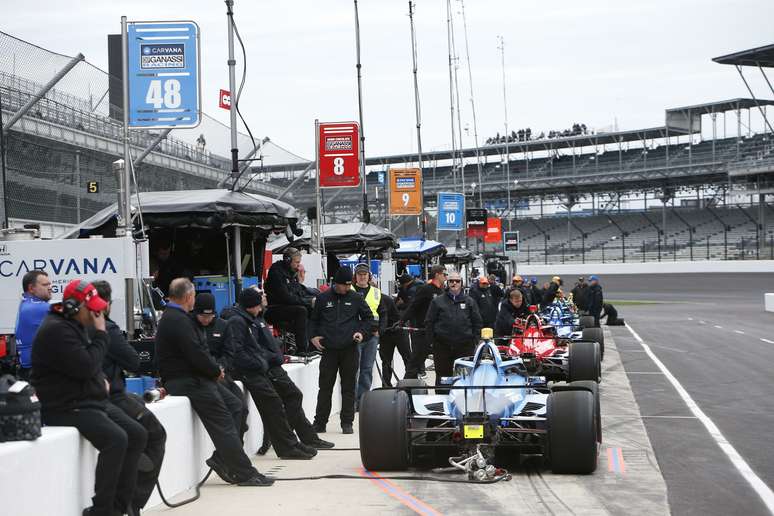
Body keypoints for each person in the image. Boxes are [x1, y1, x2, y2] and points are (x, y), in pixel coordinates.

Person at [31, 279, 147, 516]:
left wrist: (98, 376)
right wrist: (102, 335)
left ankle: (121, 507)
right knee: (116, 439)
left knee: (138, 434)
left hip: (88, 401)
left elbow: (88, 364)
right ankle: (102, 510)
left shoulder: (74, 324)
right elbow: (86, 365)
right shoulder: (57, 329)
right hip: (66, 406)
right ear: (74, 306)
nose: (98, 313)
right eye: (92, 307)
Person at [157, 278, 272, 487]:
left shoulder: (175, 317)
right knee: (224, 425)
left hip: (197, 378)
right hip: (189, 381)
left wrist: (213, 371)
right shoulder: (177, 320)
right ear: (189, 297)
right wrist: (213, 371)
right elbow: (195, 353)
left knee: (236, 407)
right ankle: (244, 472)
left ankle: (223, 460)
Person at [228, 288, 334, 459]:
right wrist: (264, 361)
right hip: (260, 369)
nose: (265, 296)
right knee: (281, 402)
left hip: (266, 366)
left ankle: (295, 440)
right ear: (252, 304)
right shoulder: (240, 322)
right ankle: (288, 442)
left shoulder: (255, 319)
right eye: (261, 296)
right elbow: (245, 350)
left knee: (286, 400)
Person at [92, 281, 166, 515]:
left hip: (104, 394)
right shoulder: (108, 329)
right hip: (113, 396)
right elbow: (133, 361)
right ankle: (134, 499)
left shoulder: (73, 327)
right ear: (108, 304)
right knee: (154, 434)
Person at [310, 267, 373, 434]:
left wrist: (361, 333)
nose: (346, 288)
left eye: (348, 285)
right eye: (343, 285)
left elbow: (368, 318)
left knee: (348, 387)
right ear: (335, 284)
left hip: (349, 348)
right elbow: (313, 320)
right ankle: (320, 422)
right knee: (325, 387)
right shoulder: (323, 298)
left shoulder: (355, 298)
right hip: (329, 349)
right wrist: (314, 336)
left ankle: (347, 422)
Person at [192, 293, 249, 441]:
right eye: (203, 317)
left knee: (242, 408)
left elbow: (230, 353)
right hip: (203, 375)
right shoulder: (190, 328)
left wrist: (220, 367)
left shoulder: (223, 326)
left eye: (209, 316)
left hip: (222, 374)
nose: (206, 320)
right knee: (233, 407)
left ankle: (237, 446)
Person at [425, 271, 482, 385]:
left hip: (464, 346)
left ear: (461, 283)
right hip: (442, 346)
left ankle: (463, 401)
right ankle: (442, 400)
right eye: (451, 281)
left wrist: (475, 340)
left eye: (457, 281)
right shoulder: (438, 301)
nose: (454, 283)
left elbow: (477, 322)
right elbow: (429, 322)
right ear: (447, 283)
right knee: (443, 377)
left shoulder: (469, 301)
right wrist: (431, 342)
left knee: (464, 377)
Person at [400, 265, 447, 380]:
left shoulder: (442, 291)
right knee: (416, 362)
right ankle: (405, 388)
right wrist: (402, 321)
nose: (446, 278)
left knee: (441, 363)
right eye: (444, 275)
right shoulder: (426, 289)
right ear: (437, 274)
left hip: (438, 332)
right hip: (423, 331)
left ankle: (440, 388)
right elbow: (413, 306)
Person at [264, 247, 312, 353]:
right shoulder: (276, 272)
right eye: (296, 262)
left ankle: (314, 345)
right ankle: (302, 350)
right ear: (288, 260)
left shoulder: (292, 272)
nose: (298, 266)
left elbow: (298, 292)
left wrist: (311, 300)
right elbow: (286, 297)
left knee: (312, 307)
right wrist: (307, 302)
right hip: (274, 309)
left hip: (287, 306)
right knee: (302, 310)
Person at [352, 263, 386, 405]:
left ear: (369, 276)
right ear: (355, 277)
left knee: (366, 370)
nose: (362, 277)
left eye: (364, 274)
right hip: (355, 335)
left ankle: (362, 401)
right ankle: (352, 402)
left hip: (372, 336)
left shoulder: (376, 292)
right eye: (359, 274)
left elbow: (383, 313)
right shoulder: (350, 291)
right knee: (354, 370)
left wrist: (380, 331)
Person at [14, 270, 52, 380]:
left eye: (49, 284)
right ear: (31, 288)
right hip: (37, 372)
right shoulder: (37, 307)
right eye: (45, 285)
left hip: (31, 369)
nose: (50, 287)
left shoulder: (26, 303)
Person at [378, 293, 410, 387]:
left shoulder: (386, 299)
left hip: (398, 330)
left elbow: (395, 315)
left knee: (407, 357)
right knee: (386, 360)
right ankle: (386, 385)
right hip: (385, 332)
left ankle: (410, 381)